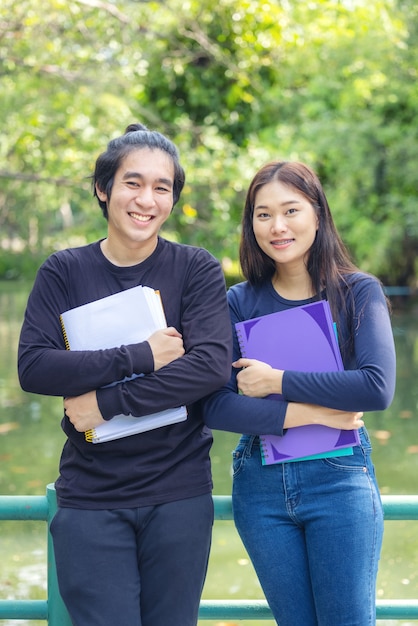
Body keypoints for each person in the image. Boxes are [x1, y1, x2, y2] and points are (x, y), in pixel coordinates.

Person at [18, 123, 232, 626]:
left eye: (162, 188)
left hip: (178, 494)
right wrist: (141, 354)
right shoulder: (63, 271)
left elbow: (208, 367)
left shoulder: (194, 268)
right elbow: (35, 366)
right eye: (133, 183)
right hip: (91, 499)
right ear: (103, 188)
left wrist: (106, 402)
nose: (147, 199)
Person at [203, 160, 396, 626]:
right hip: (261, 485)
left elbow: (376, 386)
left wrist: (276, 382)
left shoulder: (357, 292)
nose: (278, 226)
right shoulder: (237, 302)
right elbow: (212, 404)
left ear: (317, 214)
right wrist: (313, 414)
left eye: (291, 210)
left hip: (339, 480)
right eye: (263, 214)